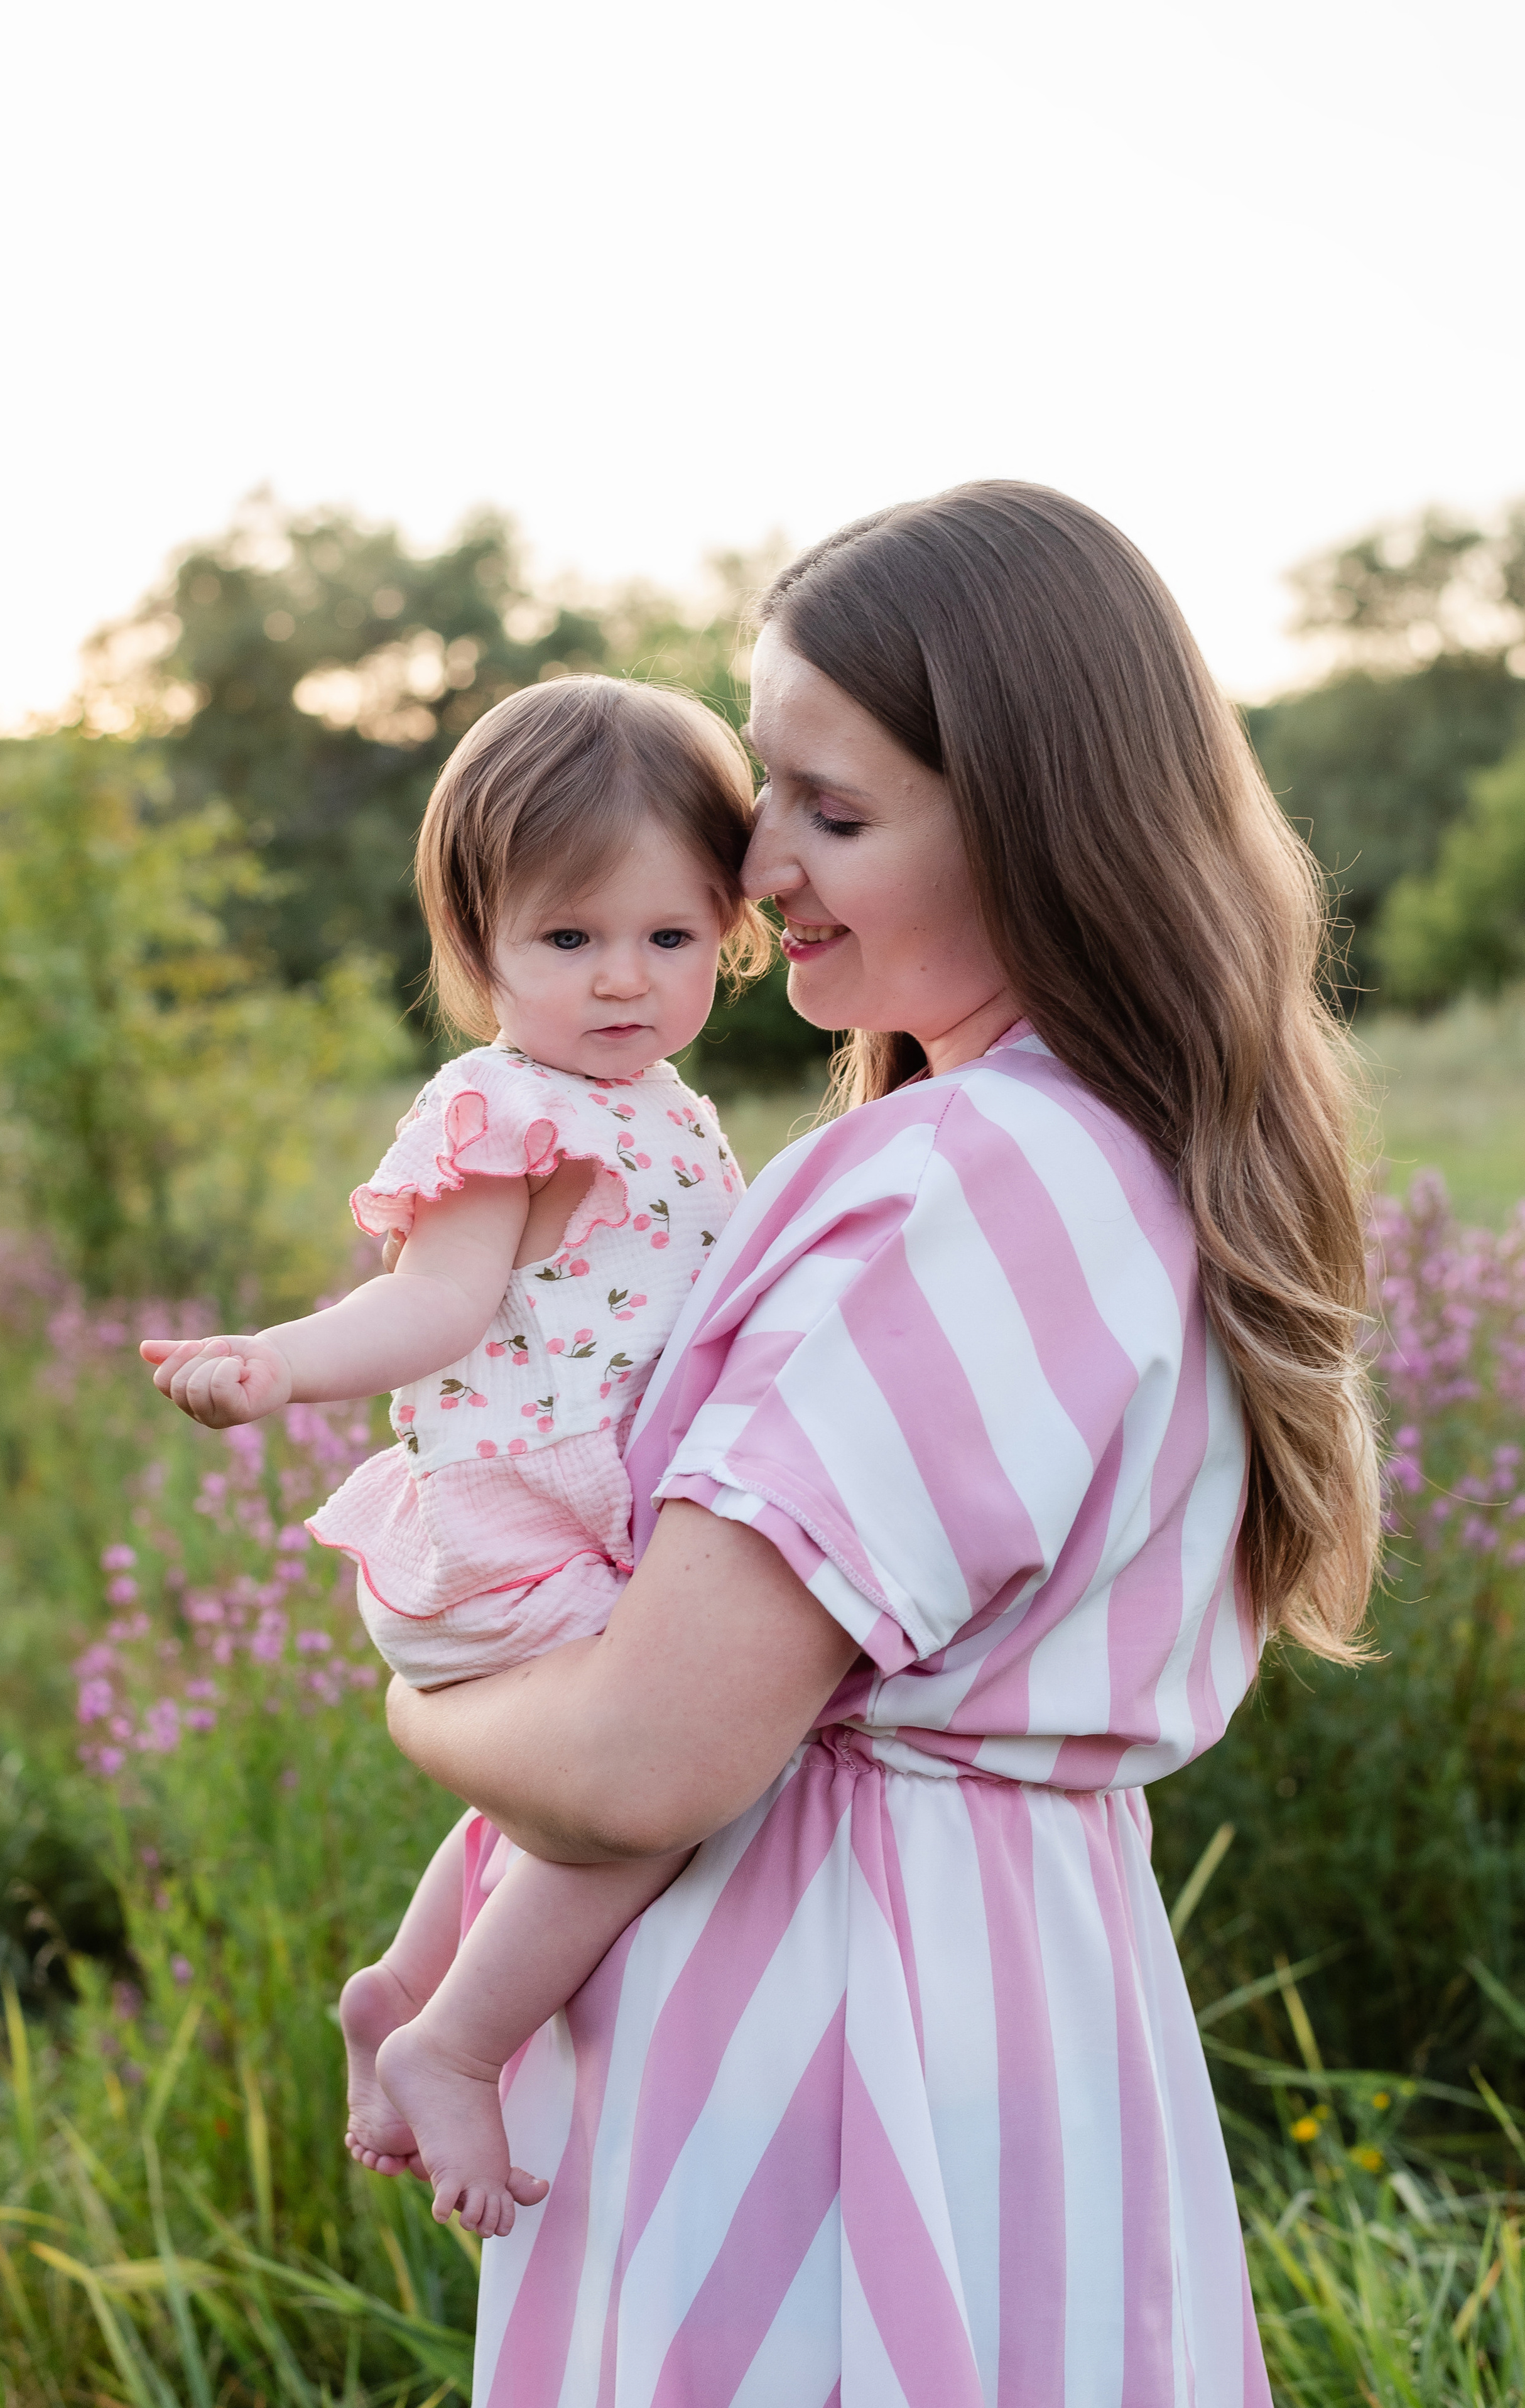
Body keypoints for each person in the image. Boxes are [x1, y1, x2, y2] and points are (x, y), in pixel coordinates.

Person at [381, 482, 1380, 2407]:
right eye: (766, 789)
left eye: (834, 812)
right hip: (1014, 1997)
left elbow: (647, 1754)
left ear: (1037, 826)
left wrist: (423, 1696)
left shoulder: (968, 1179)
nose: (757, 861)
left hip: (821, 2019)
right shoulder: (1116, 1153)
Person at [139, 676, 770, 2237]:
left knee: (554, 1789)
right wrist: (278, 1366)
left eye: (667, 935)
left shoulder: (666, 1106)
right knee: (652, 1787)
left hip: (587, 1517)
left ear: (730, 929)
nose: (621, 977)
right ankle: (458, 2042)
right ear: (478, 944)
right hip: (516, 1517)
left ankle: (401, 1983)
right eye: (567, 938)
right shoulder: (507, 1110)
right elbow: (433, 1303)